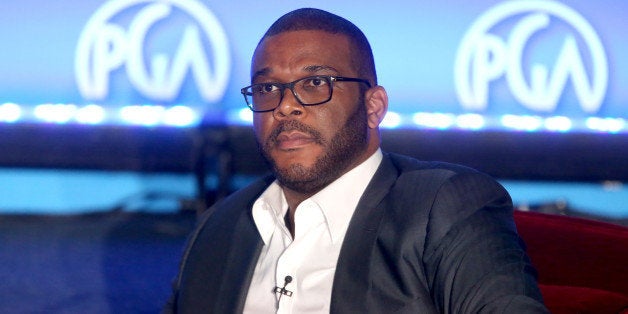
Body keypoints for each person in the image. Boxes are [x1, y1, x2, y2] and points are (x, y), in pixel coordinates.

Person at [164, 8, 548, 313]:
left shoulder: (443, 207)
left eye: (315, 83)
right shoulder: (220, 226)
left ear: (373, 106)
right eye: (268, 88)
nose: (285, 106)